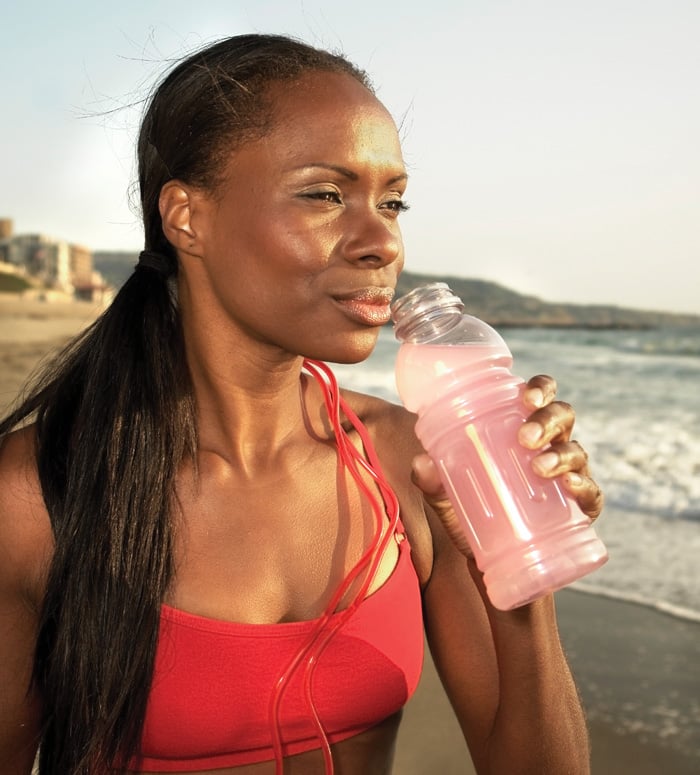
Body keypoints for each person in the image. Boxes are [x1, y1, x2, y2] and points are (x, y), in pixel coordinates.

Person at [0, 34, 604, 775]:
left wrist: (519, 566)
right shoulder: (37, 496)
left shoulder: (413, 462)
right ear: (187, 217)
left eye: (393, 201)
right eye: (325, 194)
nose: (383, 240)